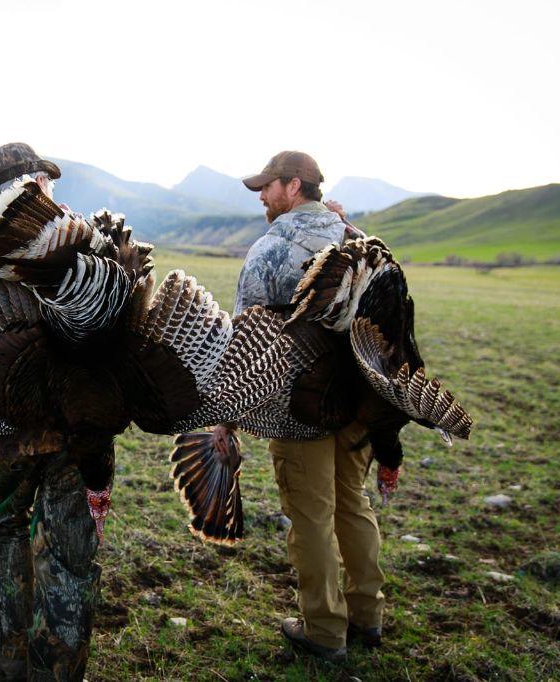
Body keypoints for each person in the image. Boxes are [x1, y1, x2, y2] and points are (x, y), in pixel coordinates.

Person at [215, 151, 384, 663]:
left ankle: (324, 631)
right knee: (353, 504)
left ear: (293, 186)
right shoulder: (356, 239)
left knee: (311, 516)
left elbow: (247, 344)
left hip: (297, 408)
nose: (262, 198)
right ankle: (366, 616)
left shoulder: (270, 249)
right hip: (358, 401)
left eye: (267, 188)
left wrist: (227, 414)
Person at [0, 143, 112, 680]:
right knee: (69, 561)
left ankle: (9, 665)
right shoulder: (84, 238)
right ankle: (59, 672)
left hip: (2, 430)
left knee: (6, 538)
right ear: (39, 180)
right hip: (77, 428)